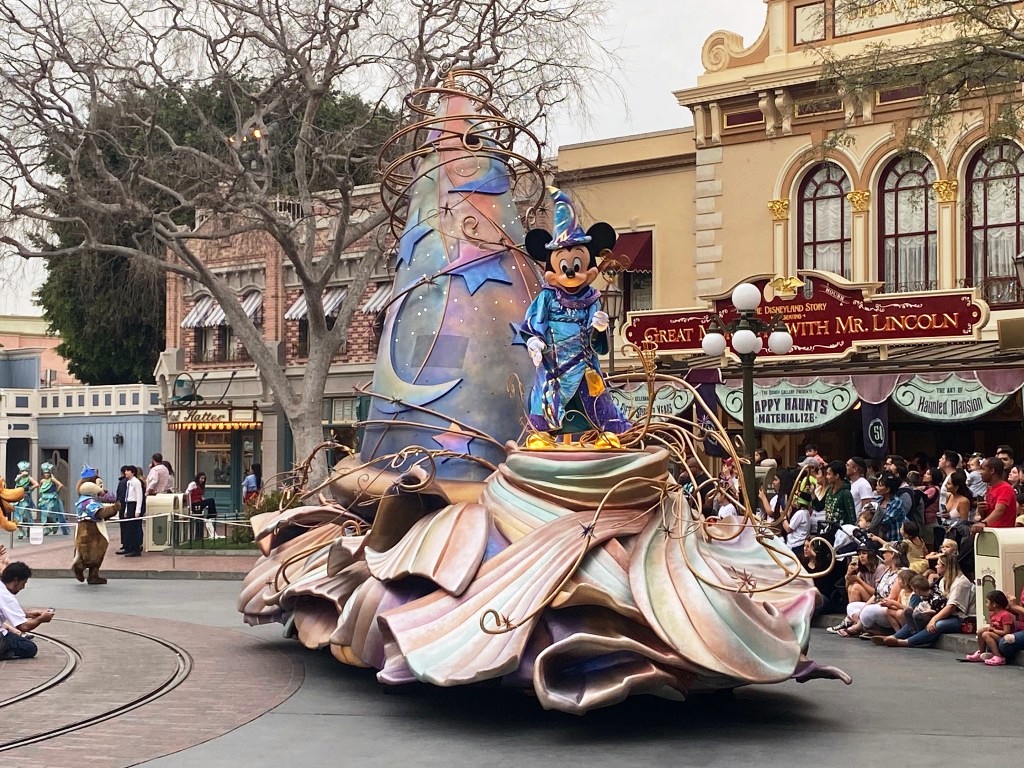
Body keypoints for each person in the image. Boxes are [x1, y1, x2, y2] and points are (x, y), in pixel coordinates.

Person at [876, 552, 974, 648]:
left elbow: (951, 607)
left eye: (938, 564)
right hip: (944, 612)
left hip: (961, 618)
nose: (936, 566)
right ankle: (895, 637)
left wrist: (934, 618)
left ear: (945, 566)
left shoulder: (961, 583)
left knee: (938, 624)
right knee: (917, 615)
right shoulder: (943, 580)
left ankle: (906, 642)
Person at [0, 562, 53, 659]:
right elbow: (24, 627)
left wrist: (27, 614)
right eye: (23, 584)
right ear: (15, 580)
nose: (23, 588)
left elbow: (3, 610)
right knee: (29, 647)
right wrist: (41, 619)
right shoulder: (7, 597)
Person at [965, 590, 1016, 665]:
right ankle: (981, 653)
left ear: (994, 604)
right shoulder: (992, 614)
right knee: (980, 631)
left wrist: (993, 630)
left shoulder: (1005, 615)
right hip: (996, 634)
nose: (986, 604)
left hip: (1004, 637)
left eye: (987, 602)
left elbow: (1006, 632)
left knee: (986, 634)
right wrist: (990, 629)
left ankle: (998, 656)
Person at [971, 457, 1016, 533]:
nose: (980, 472)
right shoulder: (990, 488)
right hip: (990, 531)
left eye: (983, 469)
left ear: (992, 471)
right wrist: (981, 509)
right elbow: (986, 514)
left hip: (1001, 534)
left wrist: (983, 523)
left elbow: (999, 510)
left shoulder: (1005, 488)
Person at [821, 460, 856, 538]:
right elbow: (820, 506)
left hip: (841, 534)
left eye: (829, 474)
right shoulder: (829, 490)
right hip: (828, 531)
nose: (827, 477)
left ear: (837, 476)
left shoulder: (846, 493)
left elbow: (852, 518)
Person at [119, 465, 144, 557]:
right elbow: (127, 496)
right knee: (128, 528)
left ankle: (135, 549)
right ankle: (128, 547)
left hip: (134, 504)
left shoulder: (136, 482)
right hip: (128, 504)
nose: (126, 472)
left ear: (133, 472)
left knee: (133, 528)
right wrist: (126, 509)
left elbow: (139, 496)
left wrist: (138, 509)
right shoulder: (129, 482)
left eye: (128, 471)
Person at [186, 472, 221, 539]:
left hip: (199, 503)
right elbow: (187, 493)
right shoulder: (193, 484)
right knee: (211, 500)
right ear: (198, 478)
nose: (203, 480)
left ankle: (199, 537)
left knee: (200, 519)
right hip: (194, 504)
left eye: (204, 479)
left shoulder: (200, 486)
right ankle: (211, 515)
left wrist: (206, 504)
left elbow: (201, 497)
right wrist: (189, 505)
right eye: (201, 478)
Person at [37, 462, 68, 536]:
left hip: (52, 498)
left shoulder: (52, 480)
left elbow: (60, 485)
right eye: (45, 473)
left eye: (47, 473)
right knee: (44, 514)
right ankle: (48, 528)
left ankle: (55, 525)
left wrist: (56, 492)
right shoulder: (42, 481)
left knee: (49, 512)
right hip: (44, 499)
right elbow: (40, 489)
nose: (46, 474)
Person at [996, 585, 1024, 663]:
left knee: (1005, 643)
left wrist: (1015, 606)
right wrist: (1010, 607)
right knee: (989, 636)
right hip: (1021, 627)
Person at [12, 460, 38, 539]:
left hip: (25, 499)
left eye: (25, 470)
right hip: (17, 499)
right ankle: (20, 530)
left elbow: (36, 484)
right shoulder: (18, 477)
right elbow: (15, 480)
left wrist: (29, 488)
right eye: (22, 470)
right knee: (17, 516)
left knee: (25, 514)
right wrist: (21, 475)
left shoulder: (29, 478)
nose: (24, 472)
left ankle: (29, 528)